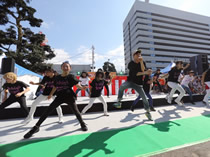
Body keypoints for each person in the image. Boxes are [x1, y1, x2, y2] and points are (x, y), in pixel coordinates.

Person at [24, 61, 87, 139]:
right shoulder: (58, 77)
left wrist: (82, 88)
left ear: (70, 68)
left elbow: (77, 85)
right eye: (64, 66)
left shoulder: (71, 77)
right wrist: (50, 94)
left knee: (76, 111)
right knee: (47, 111)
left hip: (69, 96)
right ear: (61, 68)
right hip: (59, 97)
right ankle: (36, 127)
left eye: (67, 66)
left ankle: (82, 123)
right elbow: (55, 87)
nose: (65, 68)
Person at [113, 49, 153, 121]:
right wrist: (146, 72)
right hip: (130, 81)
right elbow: (137, 73)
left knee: (145, 99)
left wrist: (141, 63)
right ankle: (119, 102)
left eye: (139, 54)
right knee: (122, 86)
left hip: (139, 84)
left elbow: (143, 70)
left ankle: (148, 112)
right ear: (133, 56)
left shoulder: (142, 62)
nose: (139, 56)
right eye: (137, 54)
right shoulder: (131, 63)